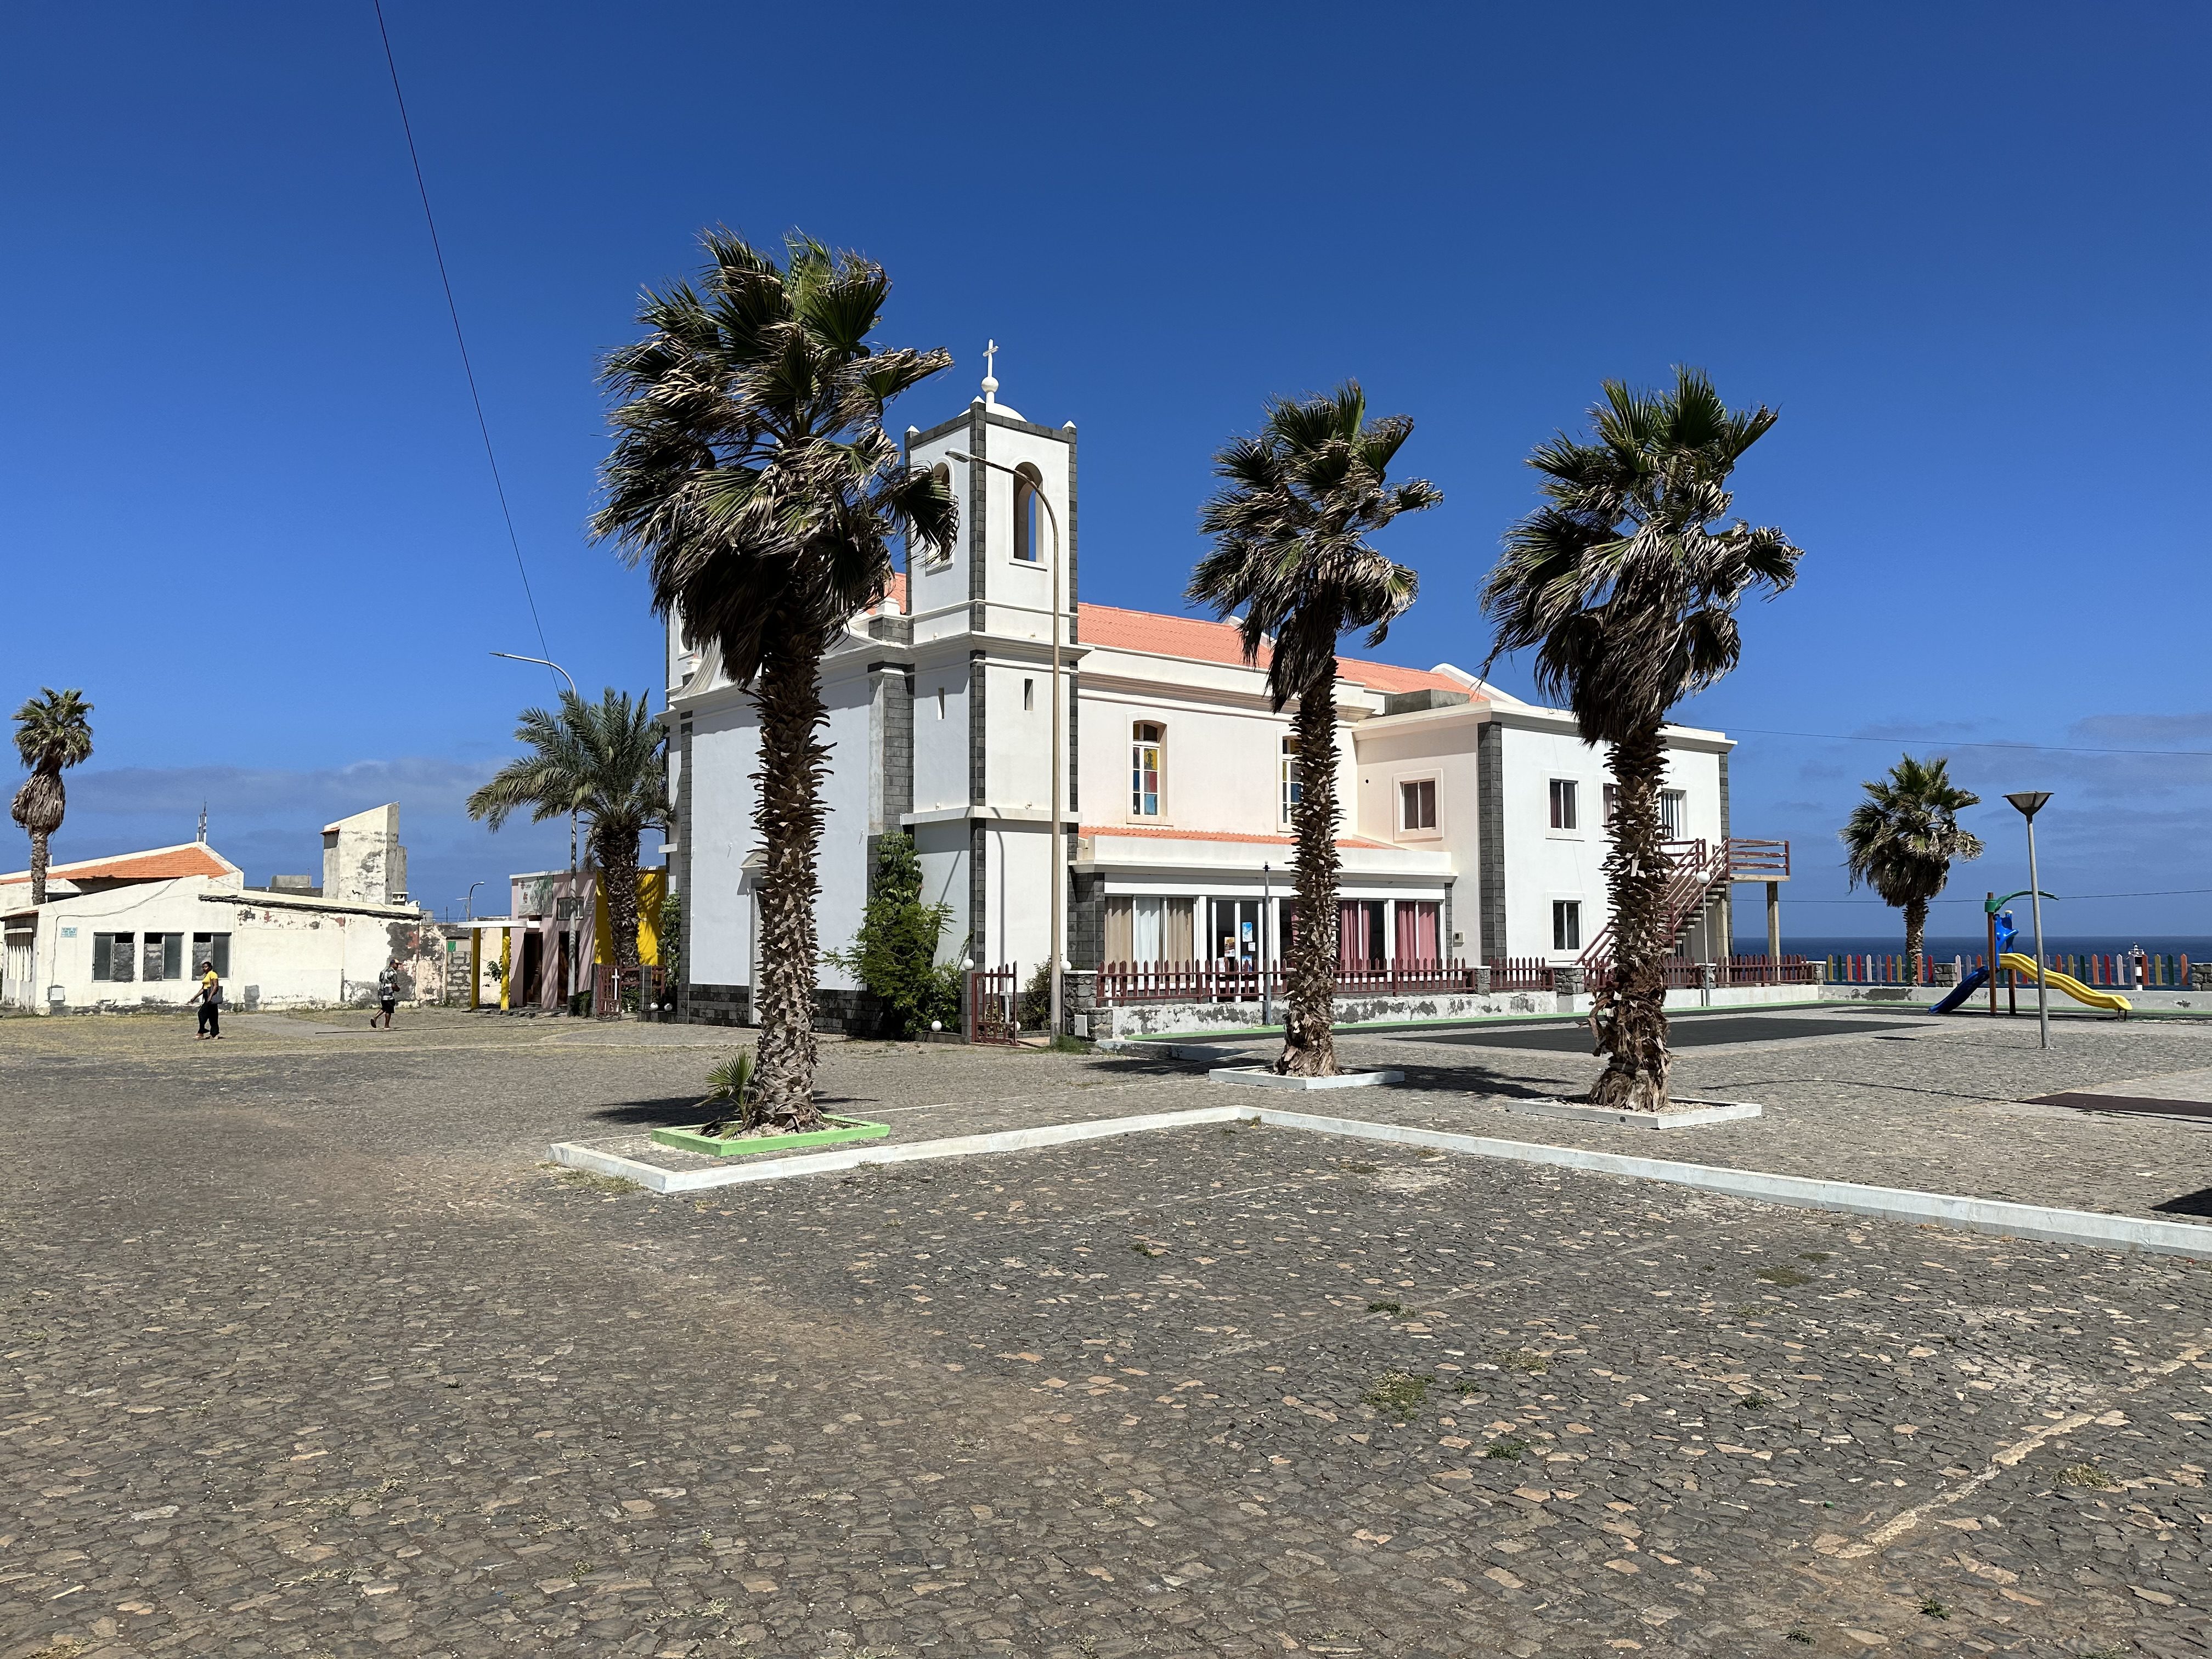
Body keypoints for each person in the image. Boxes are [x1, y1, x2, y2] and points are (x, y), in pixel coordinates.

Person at [193, 959, 222, 1040]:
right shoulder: (207, 975)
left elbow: (216, 986)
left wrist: (210, 996)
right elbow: (203, 988)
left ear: (210, 967)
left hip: (211, 996)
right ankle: (214, 1034)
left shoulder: (213, 974)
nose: (204, 968)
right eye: (203, 967)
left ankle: (201, 1032)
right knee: (213, 1015)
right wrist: (195, 997)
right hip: (207, 995)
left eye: (206, 967)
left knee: (201, 1013)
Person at [373, 958, 403, 1030]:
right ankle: (386, 1026)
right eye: (397, 965)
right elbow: (394, 985)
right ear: (392, 964)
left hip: (382, 993)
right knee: (389, 1010)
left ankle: (375, 1018)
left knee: (385, 1007)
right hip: (389, 993)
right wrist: (398, 989)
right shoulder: (393, 973)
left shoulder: (383, 972)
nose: (398, 966)